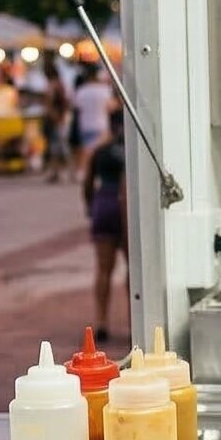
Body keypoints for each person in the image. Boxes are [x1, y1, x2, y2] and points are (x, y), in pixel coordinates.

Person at [81, 114, 127, 340]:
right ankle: (132, 321)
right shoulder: (133, 152)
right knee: (133, 270)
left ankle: (101, 320)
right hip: (126, 207)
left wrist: (92, 207)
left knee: (103, 269)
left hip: (104, 203)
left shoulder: (100, 151)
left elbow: (87, 183)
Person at [69, 63, 112, 157]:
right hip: (101, 126)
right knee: (96, 155)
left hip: (85, 126)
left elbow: (75, 107)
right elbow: (111, 107)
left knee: (88, 152)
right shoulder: (105, 90)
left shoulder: (81, 90)